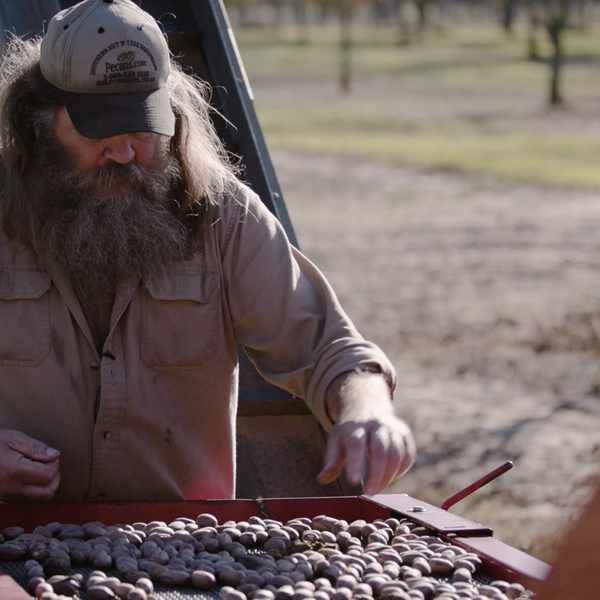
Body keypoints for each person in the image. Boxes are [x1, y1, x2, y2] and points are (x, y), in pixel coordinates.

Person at [0, 0, 415, 503]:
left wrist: (368, 411)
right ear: (38, 122)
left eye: (141, 128)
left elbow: (330, 350)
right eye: (99, 131)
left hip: (183, 553)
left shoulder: (226, 216)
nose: (125, 153)